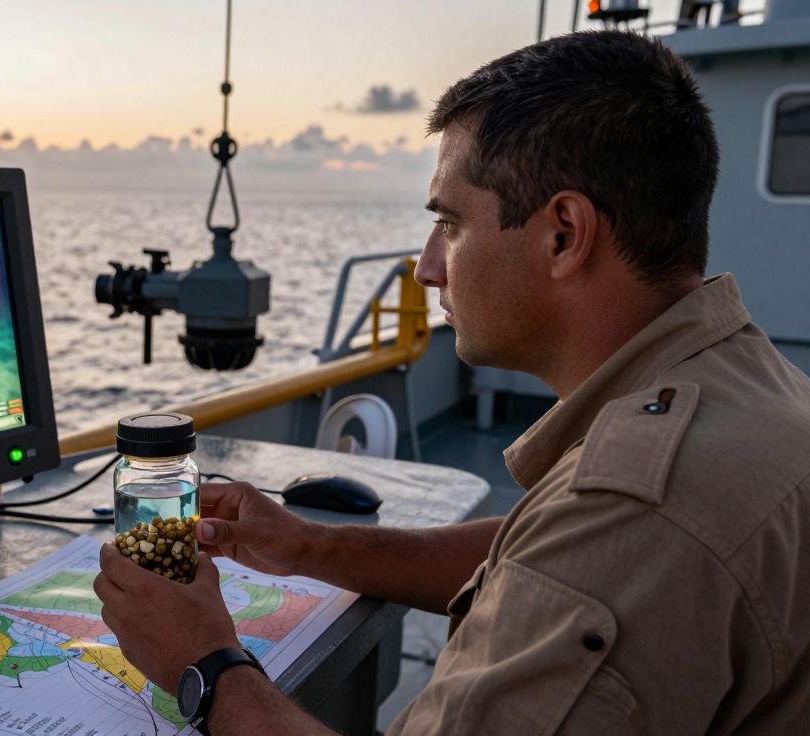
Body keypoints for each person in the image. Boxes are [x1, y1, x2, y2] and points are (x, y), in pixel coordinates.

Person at [93, 29, 810, 735]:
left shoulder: (642, 508)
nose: (426, 267)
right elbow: (543, 551)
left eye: (451, 224)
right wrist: (308, 546)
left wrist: (206, 664)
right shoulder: (745, 383)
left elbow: (595, 555)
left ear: (563, 233)